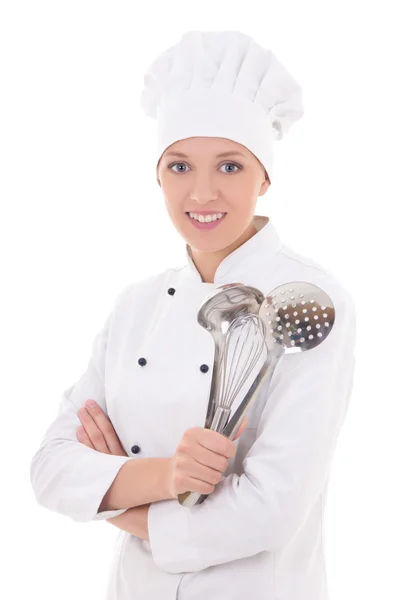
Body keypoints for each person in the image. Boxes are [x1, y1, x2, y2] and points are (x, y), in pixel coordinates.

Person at [29, 30, 357, 600]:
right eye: (179, 167)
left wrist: (116, 500)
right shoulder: (136, 305)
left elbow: (269, 510)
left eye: (229, 167)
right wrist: (167, 476)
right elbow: (52, 468)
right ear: (157, 176)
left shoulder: (309, 299)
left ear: (265, 177)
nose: (202, 194)